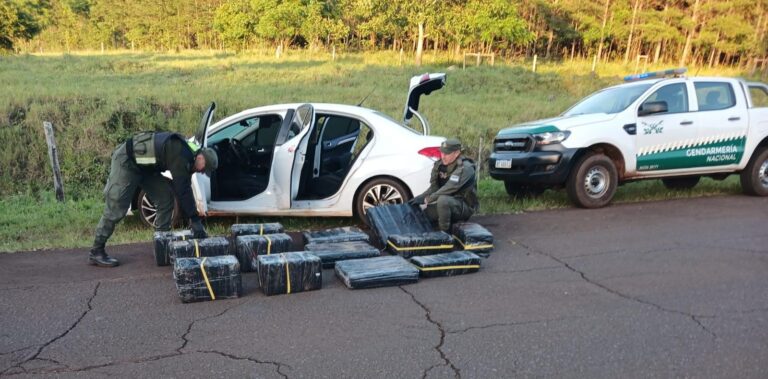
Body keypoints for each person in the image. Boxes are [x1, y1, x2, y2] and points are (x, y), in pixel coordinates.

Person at [89, 131, 218, 267]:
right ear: (201, 158)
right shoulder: (181, 154)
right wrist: (195, 219)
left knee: (165, 198)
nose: (202, 172)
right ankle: (96, 250)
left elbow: (183, 188)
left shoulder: (189, 154)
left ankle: (161, 245)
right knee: (116, 208)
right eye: (204, 168)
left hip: (146, 169)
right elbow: (183, 190)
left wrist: (193, 217)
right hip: (127, 161)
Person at [408, 138, 479, 232]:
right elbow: (434, 188)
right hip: (447, 204)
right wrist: (419, 199)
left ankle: (444, 234)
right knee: (422, 216)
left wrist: (430, 199)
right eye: (442, 153)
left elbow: (450, 188)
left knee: (443, 200)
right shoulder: (439, 165)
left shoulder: (465, 168)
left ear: (457, 153)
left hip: (463, 206)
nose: (443, 156)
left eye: (447, 154)